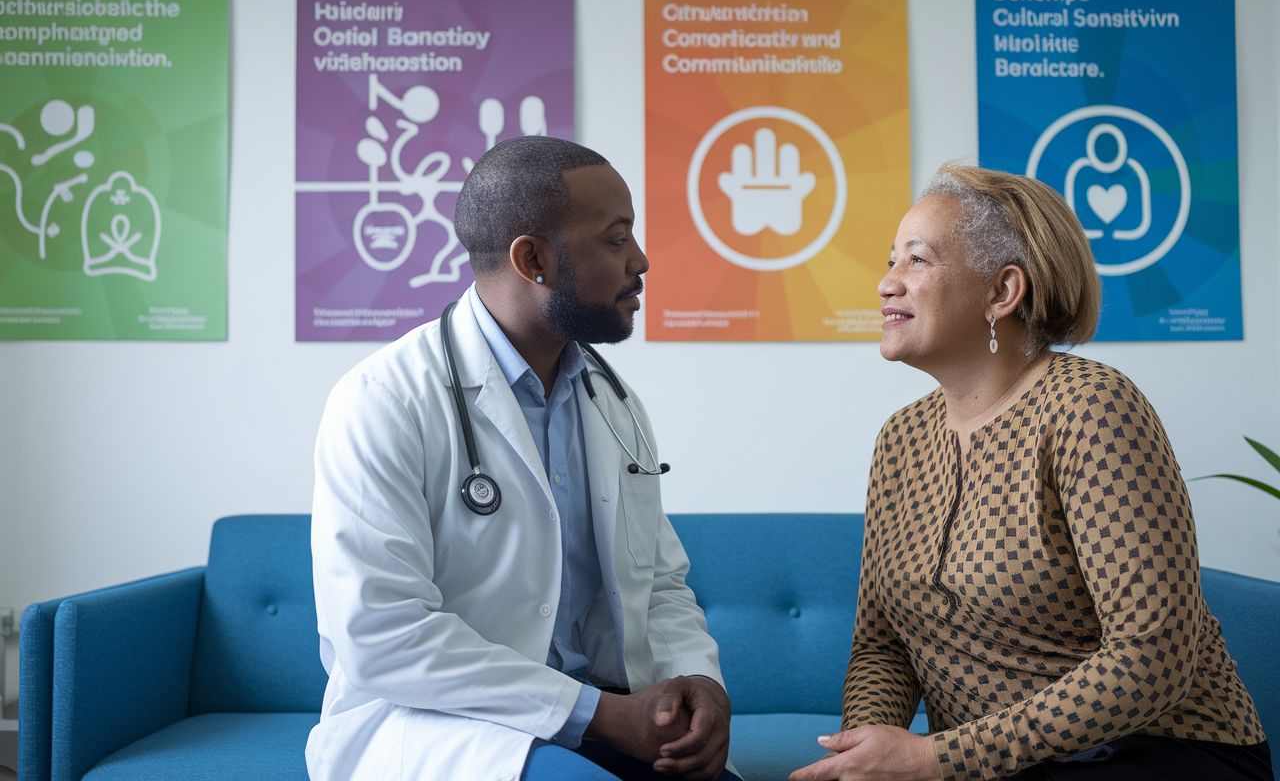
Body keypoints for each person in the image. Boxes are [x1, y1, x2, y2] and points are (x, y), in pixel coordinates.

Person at [791, 163, 1271, 781]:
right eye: (890, 262)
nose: (887, 284)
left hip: (1156, 752)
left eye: (916, 260)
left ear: (1002, 293)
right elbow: (883, 646)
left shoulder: (1092, 407)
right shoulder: (900, 440)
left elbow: (1153, 657)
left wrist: (939, 759)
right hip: (993, 770)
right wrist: (863, 756)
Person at [307, 136, 736, 781]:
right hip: (444, 728)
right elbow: (383, 636)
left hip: (602, 715)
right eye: (616, 239)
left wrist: (698, 681)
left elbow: (661, 583)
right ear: (532, 259)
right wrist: (595, 715)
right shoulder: (383, 400)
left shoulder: (612, 402)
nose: (642, 261)